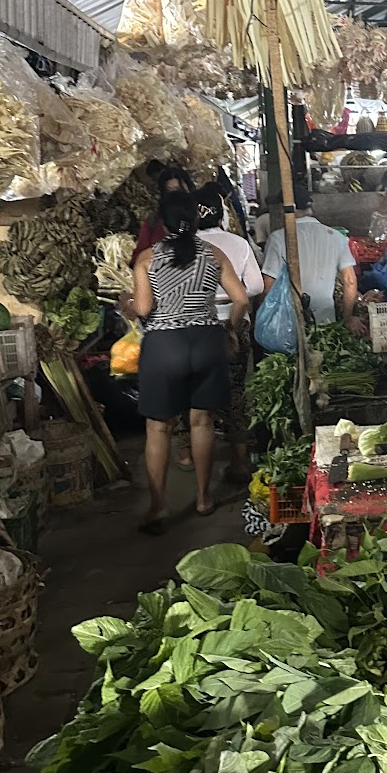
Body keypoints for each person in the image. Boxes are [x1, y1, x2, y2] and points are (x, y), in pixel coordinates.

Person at [132, 190, 249, 534]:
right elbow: (240, 298)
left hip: (163, 346)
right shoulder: (214, 255)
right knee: (202, 423)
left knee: (158, 427)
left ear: (162, 222)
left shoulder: (147, 258)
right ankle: (202, 498)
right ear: (197, 219)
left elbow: (142, 309)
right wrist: (229, 329)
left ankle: (157, 507)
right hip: (206, 342)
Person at [196, 183, 265, 482]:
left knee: (198, 397)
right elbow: (257, 286)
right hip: (235, 325)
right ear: (222, 213)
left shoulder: (182, 246)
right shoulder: (237, 244)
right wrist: (230, 296)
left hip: (196, 330)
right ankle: (239, 460)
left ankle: (193, 458)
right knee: (236, 391)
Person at [260, 193, 363, 332]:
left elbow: (268, 286)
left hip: (290, 323)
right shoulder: (336, 237)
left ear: (287, 210)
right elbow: (350, 281)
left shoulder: (278, 238)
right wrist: (347, 318)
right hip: (327, 320)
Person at [131, 164, 195, 262]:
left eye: (178, 190)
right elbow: (138, 257)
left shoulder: (201, 217)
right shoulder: (154, 221)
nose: (175, 195)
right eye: (169, 191)